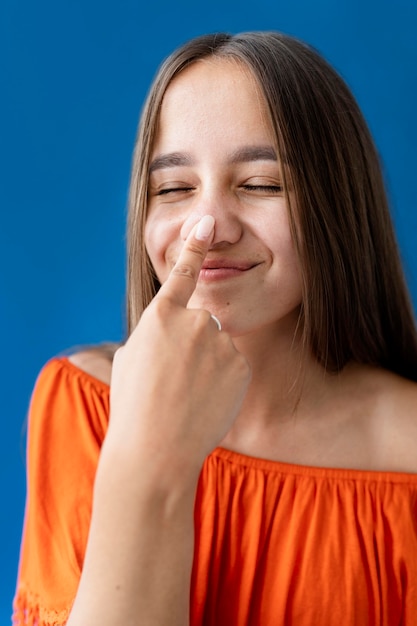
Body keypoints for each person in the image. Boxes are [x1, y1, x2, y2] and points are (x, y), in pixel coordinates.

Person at [13, 31, 417, 626]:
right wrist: (147, 460)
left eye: (260, 185)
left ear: (338, 203)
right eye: (174, 189)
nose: (207, 227)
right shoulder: (80, 404)